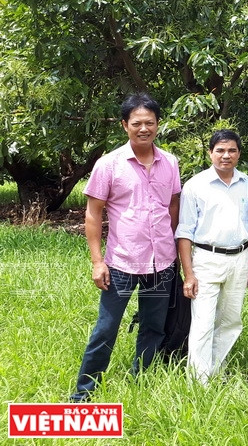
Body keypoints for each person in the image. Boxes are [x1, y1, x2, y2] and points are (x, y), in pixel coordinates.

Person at [70, 93, 181, 402]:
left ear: (158, 125)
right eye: (136, 123)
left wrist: (173, 252)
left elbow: (173, 205)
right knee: (106, 329)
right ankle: (83, 394)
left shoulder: (170, 162)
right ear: (125, 125)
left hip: (161, 264)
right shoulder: (109, 164)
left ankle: (141, 383)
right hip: (121, 263)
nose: (143, 129)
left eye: (150, 123)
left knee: (153, 328)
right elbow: (93, 213)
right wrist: (96, 260)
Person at [176, 130, 248, 383]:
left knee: (231, 321)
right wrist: (188, 273)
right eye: (220, 150)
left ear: (239, 154)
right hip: (206, 259)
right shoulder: (195, 185)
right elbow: (184, 232)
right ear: (211, 153)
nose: (226, 156)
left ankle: (216, 370)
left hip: (241, 258)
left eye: (232, 150)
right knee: (203, 322)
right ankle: (199, 382)